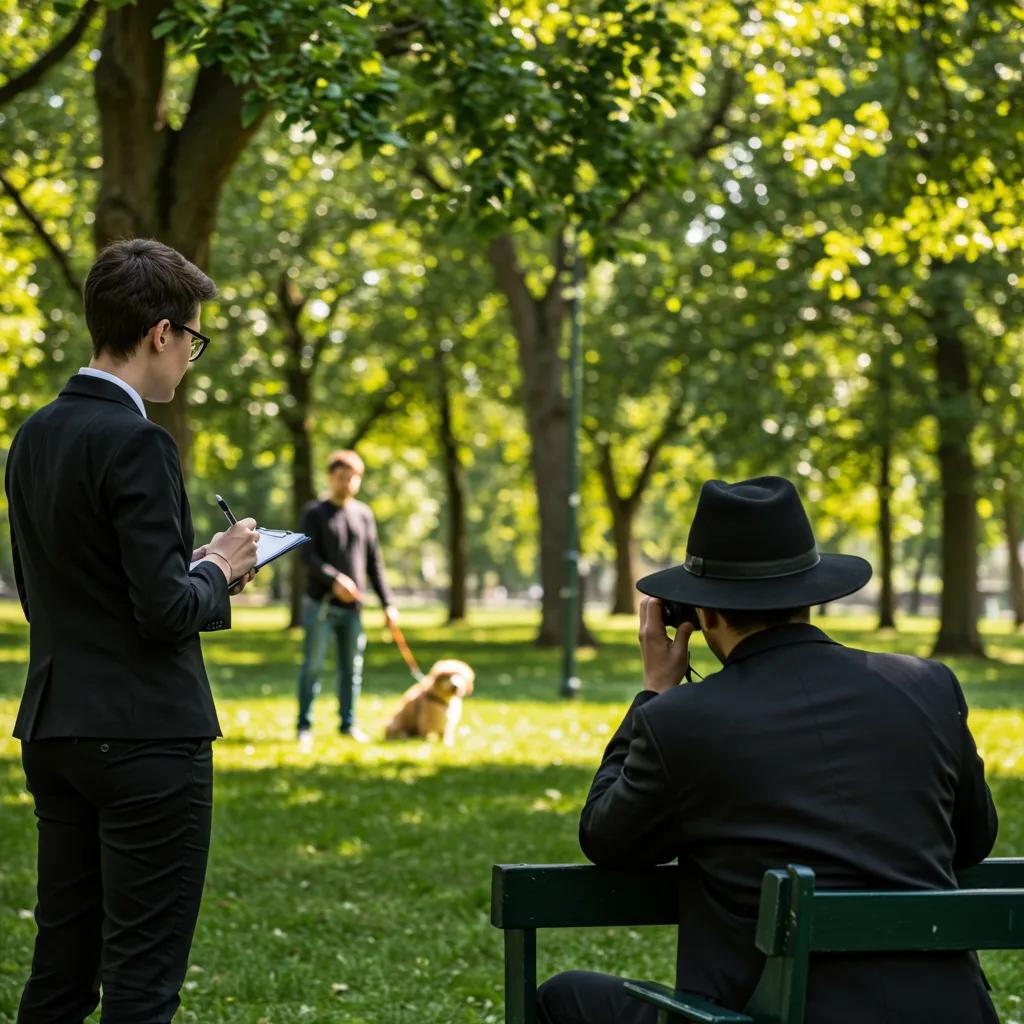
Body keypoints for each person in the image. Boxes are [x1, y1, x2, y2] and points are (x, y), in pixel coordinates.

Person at [538, 476, 998, 1024]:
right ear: (811, 594)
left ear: (700, 615)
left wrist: (653, 694)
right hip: (949, 1013)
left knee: (564, 998)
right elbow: (974, 840)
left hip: (772, 1017)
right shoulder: (928, 684)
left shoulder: (680, 720)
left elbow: (607, 840)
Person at [5, 238, 260, 1024]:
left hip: (58, 723)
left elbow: (67, 586)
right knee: (142, 987)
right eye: (193, 339)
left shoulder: (34, 436)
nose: (190, 357)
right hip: (147, 735)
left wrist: (185, 566)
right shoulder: (141, 441)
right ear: (161, 333)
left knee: (60, 977)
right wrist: (220, 568)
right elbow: (164, 613)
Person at [296, 449, 398, 746]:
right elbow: (307, 556)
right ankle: (304, 725)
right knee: (312, 665)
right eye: (341, 478)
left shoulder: (364, 515)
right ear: (330, 477)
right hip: (321, 606)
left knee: (351, 669)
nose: (347, 484)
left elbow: (374, 562)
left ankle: (348, 724)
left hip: (353, 609)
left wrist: (388, 604)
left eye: (353, 478)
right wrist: (334, 579)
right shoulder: (315, 512)